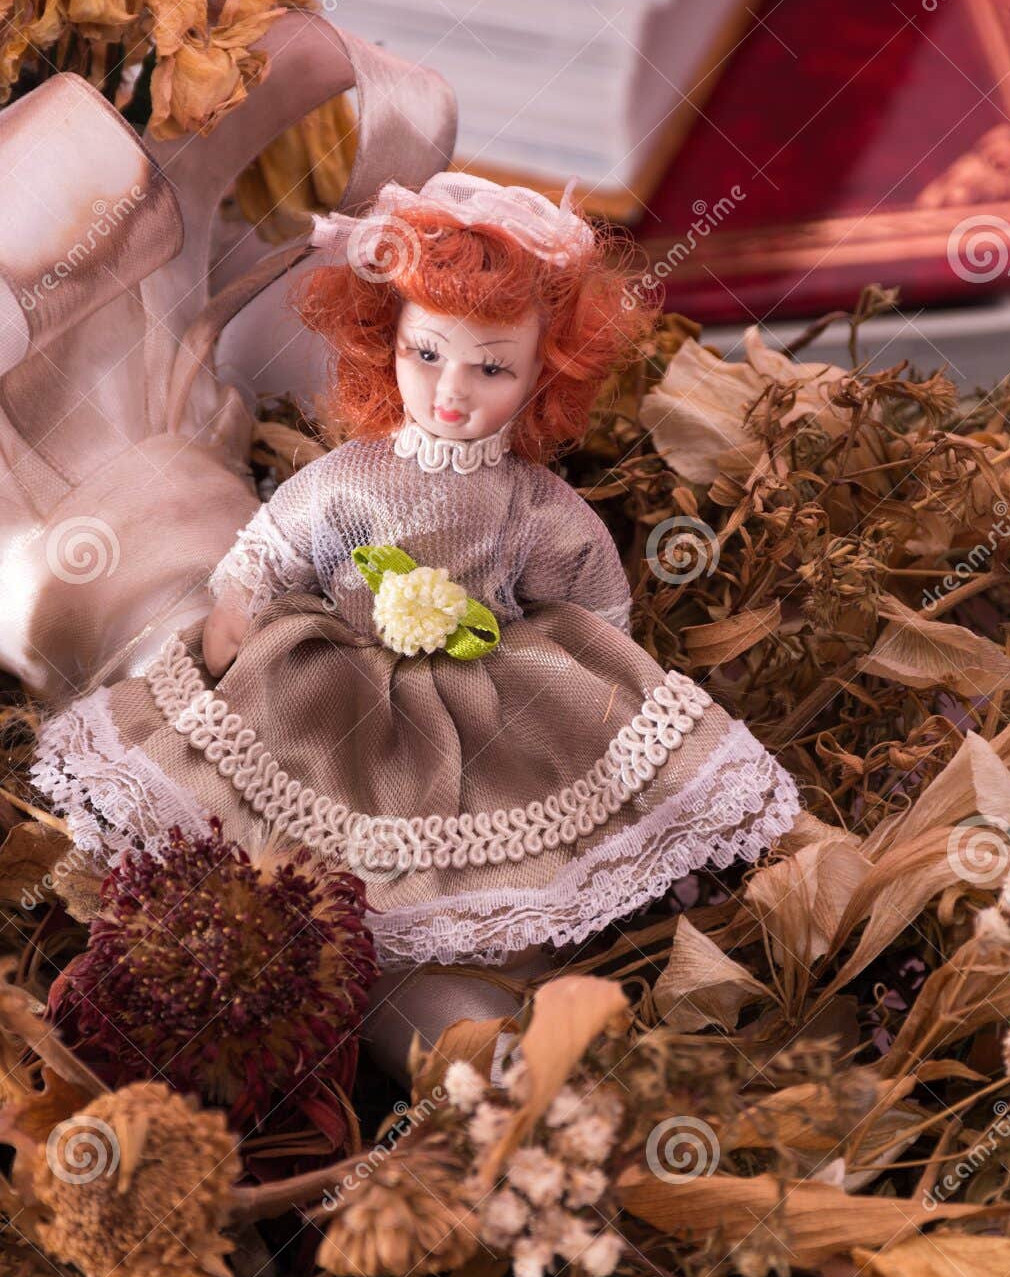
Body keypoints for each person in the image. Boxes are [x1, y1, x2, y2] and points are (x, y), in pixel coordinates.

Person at [32, 172, 800, 1079]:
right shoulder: (349, 478)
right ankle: (294, 948)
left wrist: (605, 682)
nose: (451, 389)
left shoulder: (530, 504)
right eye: (426, 353)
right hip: (329, 674)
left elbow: (588, 594)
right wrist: (232, 619)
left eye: (492, 366)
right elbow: (274, 547)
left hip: (489, 696)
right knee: (278, 797)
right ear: (383, 341)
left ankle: (460, 978)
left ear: (541, 374)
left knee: (493, 827)